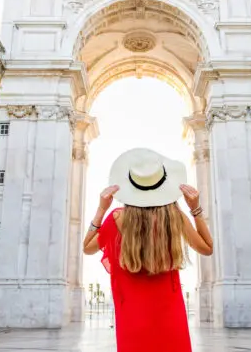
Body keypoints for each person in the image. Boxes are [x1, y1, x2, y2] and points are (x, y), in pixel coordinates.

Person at [83, 148, 214, 352]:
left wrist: (101, 209)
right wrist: (195, 209)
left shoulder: (117, 218)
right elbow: (207, 248)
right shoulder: (175, 217)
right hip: (170, 316)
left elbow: (87, 248)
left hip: (131, 318)